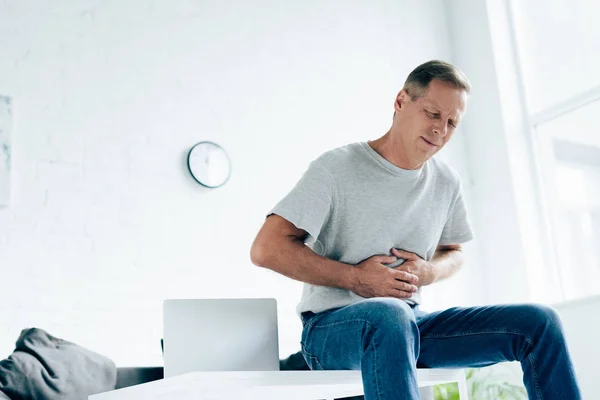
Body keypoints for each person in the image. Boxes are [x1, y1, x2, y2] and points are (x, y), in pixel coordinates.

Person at [250, 60, 581, 400]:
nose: (440, 130)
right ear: (400, 101)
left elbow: (454, 253)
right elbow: (266, 248)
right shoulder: (335, 168)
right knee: (389, 317)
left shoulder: (445, 181)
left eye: (452, 123)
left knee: (538, 323)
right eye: (433, 114)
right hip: (330, 329)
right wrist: (356, 279)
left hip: (410, 323)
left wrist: (429, 271)